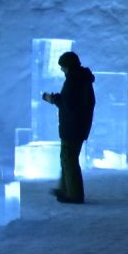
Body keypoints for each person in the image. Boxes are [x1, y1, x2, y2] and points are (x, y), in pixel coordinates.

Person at [41, 50, 96, 203]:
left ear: (69, 66)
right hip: (78, 126)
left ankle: (74, 194)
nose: (61, 69)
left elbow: (68, 104)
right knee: (67, 158)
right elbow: (73, 102)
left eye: (63, 66)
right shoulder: (82, 79)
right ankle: (65, 189)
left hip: (72, 127)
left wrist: (52, 99)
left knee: (69, 159)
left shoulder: (74, 81)